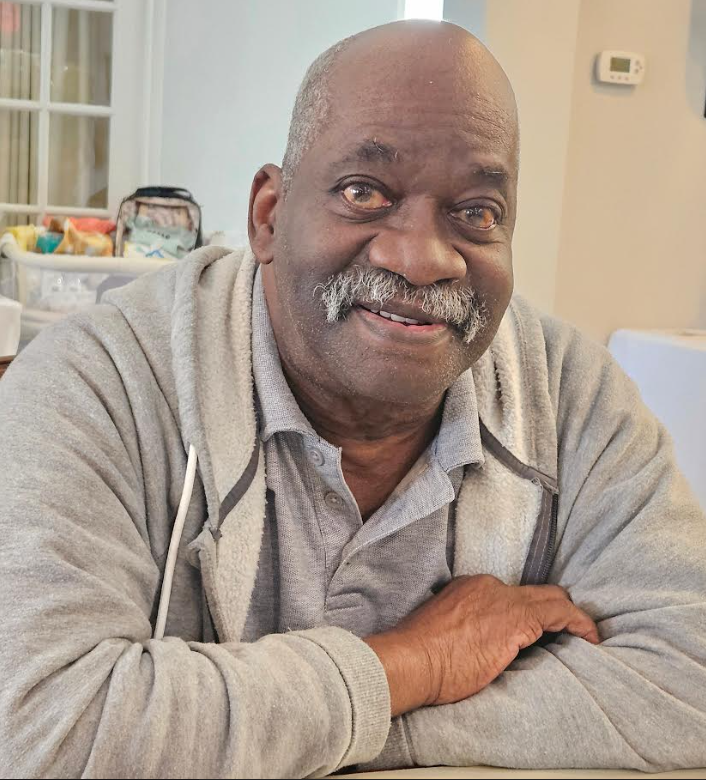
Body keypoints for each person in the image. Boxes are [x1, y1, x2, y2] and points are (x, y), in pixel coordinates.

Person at [0, 20, 704, 779]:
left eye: (476, 211)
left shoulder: (568, 394)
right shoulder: (97, 383)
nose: (422, 258)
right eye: (363, 193)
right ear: (269, 215)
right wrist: (420, 662)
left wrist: (338, 732)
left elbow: (688, 679)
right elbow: (42, 728)